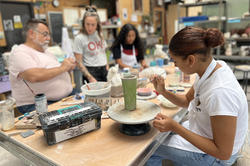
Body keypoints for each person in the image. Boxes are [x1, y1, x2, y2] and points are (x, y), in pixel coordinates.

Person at [147, 26, 248, 166]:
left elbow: (223, 152)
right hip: (204, 133)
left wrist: (175, 127)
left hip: (217, 158)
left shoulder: (220, 92)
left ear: (190, 60)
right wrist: (163, 91)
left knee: (148, 148)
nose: (175, 66)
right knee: (155, 132)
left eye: (175, 61)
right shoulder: (212, 68)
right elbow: (186, 100)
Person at [9, 19, 76, 114]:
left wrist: (68, 68)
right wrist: (62, 68)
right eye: (45, 34)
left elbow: (56, 71)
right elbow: (34, 76)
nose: (48, 38)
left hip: (65, 97)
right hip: (39, 104)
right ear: (31, 34)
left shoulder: (47, 52)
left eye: (49, 35)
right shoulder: (20, 52)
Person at [73, 5, 108, 83]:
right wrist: (90, 77)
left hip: (104, 71)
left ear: (97, 24)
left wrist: (107, 66)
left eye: (93, 25)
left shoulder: (99, 34)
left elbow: (103, 53)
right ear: (83, 23)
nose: (90, 28)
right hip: (91, 72)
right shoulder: (79, 38)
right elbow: (79, 62)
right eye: (87, 24)